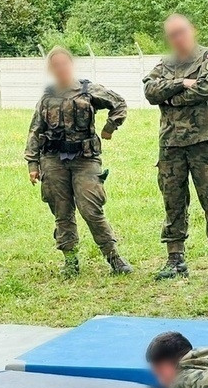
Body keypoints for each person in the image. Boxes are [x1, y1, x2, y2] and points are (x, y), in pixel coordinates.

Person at [143, 14, 208, 282]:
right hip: (171, 143)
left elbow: (206, 88)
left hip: (205, 141)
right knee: (172, 201)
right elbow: (150, 91)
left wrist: (170, 99)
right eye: (172, 34)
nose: (177, 38)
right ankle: (175, 259)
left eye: (181, 32)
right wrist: (180, 83)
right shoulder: (164, 63)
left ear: (192, 31)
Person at [25, 47, 133, 277]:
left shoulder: (88, 90)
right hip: (53, 160)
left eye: (64, 64)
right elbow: (36, 129)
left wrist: (110, 127)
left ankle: (113, 256)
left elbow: (119, 104)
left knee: (90, 208)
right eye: (55, 65)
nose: (60, 69)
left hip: (85, 159)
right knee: (62, 212)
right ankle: (70, 260)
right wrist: (32, 164)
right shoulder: (47, 95)